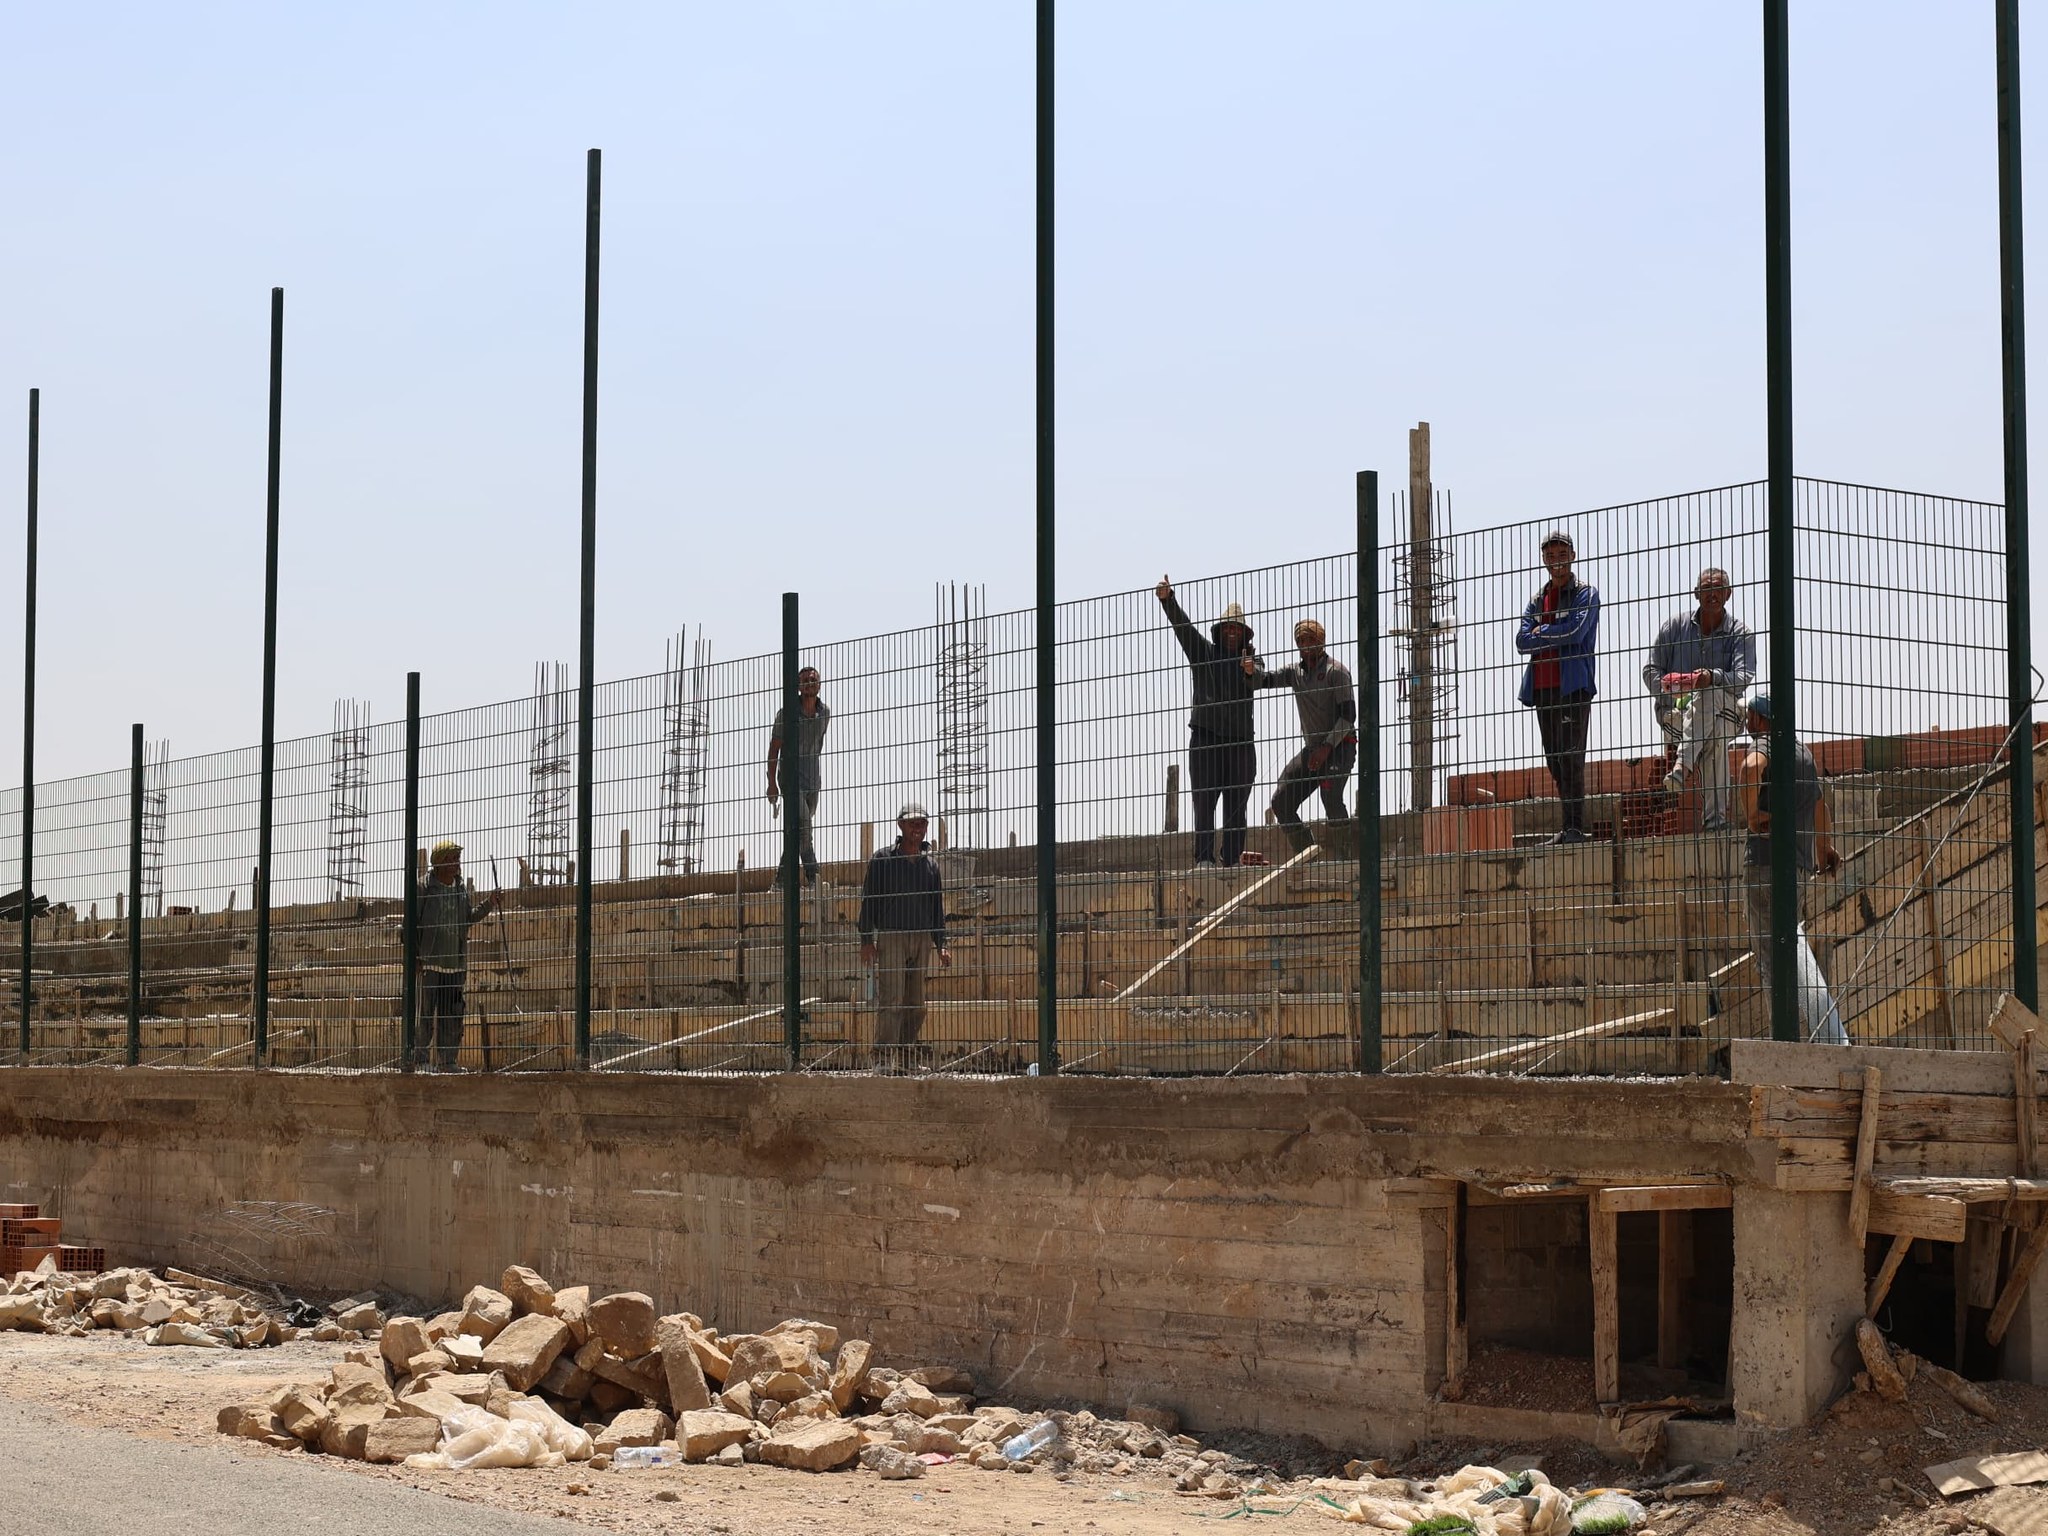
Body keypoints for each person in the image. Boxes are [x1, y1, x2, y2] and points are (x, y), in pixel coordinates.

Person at [1736, 693, 1847, 1044]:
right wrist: (1823, 848)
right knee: (1791, 952)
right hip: (1798, 869)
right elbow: (1819, 805)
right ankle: (1817, 1037)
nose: (1747, 722)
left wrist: (1752, 815)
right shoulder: (1805, 755)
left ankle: (1783, 1043)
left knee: (1771, 961)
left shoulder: (1765, 745)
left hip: (1763, 865)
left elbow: (1749, 769)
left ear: (1762, 719)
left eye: (1750, 716)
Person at [1155, 575, 1257, 867]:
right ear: (1219, 631)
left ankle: (1232, 859)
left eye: (1236, 628)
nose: (1231, 632)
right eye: (1227, 627)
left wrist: (1251, 670)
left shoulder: (1252, 661)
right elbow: (1184, 629)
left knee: (1237, 806)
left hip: (1240, 743)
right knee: (1204, 802)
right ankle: (1204, 860)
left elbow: (1261, 677)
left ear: (1244, 634)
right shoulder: (1204, 653)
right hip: (1205, 739)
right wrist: (1168, 600)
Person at [1644, 567, 1756, 830]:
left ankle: (1682, 766)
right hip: (1677, 716)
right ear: (1696, 594)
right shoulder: (1674, 627)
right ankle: (1715, 822)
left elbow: (1744, 676)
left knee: (1709, 691)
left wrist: (1712, 677)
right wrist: (1673, 690)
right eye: (1706, 589)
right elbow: (1650, 670)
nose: (1712, 594)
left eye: (1718, 588)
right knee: (1715, 735)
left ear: (1728, 594)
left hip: (1726, 711)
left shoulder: (1740, 633)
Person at [1242, 619, 1357, 858]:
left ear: (1321, 641)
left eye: (1310, 640)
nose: (1306, 645)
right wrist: (1251, 670)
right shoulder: (1294, 673)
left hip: (1340, 746)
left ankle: (1345, 859)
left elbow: (1348, 716)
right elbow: (1264, 681)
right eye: (1301, 641)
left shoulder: (1336, 672)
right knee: (1281, 801)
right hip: (1313, 750)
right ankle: (1308, 856)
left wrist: (1327, 747)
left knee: (1331, 796)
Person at [1514, 530, 1600, 845]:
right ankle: (1567, 828)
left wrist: (1542, 630)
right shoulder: (1538, 599)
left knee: (1572, 757)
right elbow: (1521, 641)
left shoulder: (1585, 594)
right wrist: (1553, 632)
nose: (1556, 561)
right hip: (1542, 688)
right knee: (1555, 760)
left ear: (1572, 556)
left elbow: (1577, 632)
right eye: (1550, 556)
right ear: (1544, 560)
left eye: (1562, 554)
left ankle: (1575, 828)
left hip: (1573, 687)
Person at [857, 802, 952, 1071]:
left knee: (916, 1003)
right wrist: (867, 940)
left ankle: (907, 1058)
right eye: (912, 823)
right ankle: (882, 1058)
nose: (917, 828)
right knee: (892, 1000)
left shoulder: (931, 866)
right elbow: (869, 900)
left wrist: (941, 944)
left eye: (922, 823)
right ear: (900, 825)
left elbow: (936, 909)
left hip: (921, 938)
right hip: (892, 937)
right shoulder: (882, 860)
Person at [415, 840, 502, 1071]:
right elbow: (412, 923)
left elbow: (467, 918)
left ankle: (447, 1062)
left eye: (457, 858)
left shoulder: (460, 888)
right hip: (429, 964)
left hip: (455, 965)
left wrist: (489, 903)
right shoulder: (423, 887)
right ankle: (419, 1060)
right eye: (452, 859)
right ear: (439, 863)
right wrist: (415, 957)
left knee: (452, 1016)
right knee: (424, 1015)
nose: (457, 863)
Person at [767, 666, 830, 887]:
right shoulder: (787, 714)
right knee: (804, 829)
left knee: (797, 832)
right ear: (799, 686)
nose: (810, 683)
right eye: (805, 680)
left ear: (819, 685)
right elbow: (774, 749)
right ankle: (814, 877)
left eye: (813, 680)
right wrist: (772, 783)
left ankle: (780, 882)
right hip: (791, 781)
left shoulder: (825, 713)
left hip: (813, 781)